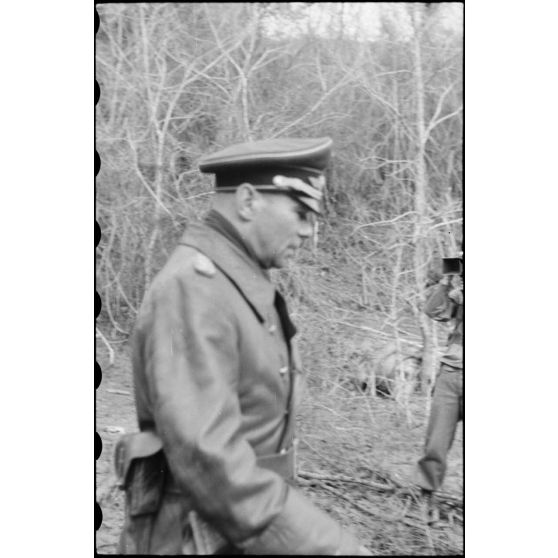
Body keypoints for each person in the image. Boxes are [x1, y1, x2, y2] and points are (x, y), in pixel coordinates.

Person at [113, 137, 372, 555]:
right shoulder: (195, 290)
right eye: (301, 212)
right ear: (249, 200)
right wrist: (332, 547)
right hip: (191, 539)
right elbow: (211, 460)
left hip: (236, 535)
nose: (309, 229)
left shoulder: (237, 280)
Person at [413, 248, 463, 521]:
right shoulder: (459, 287)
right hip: (452, 374)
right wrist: (448, 281)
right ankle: (426, 498)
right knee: (436, 442)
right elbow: (433, 310)